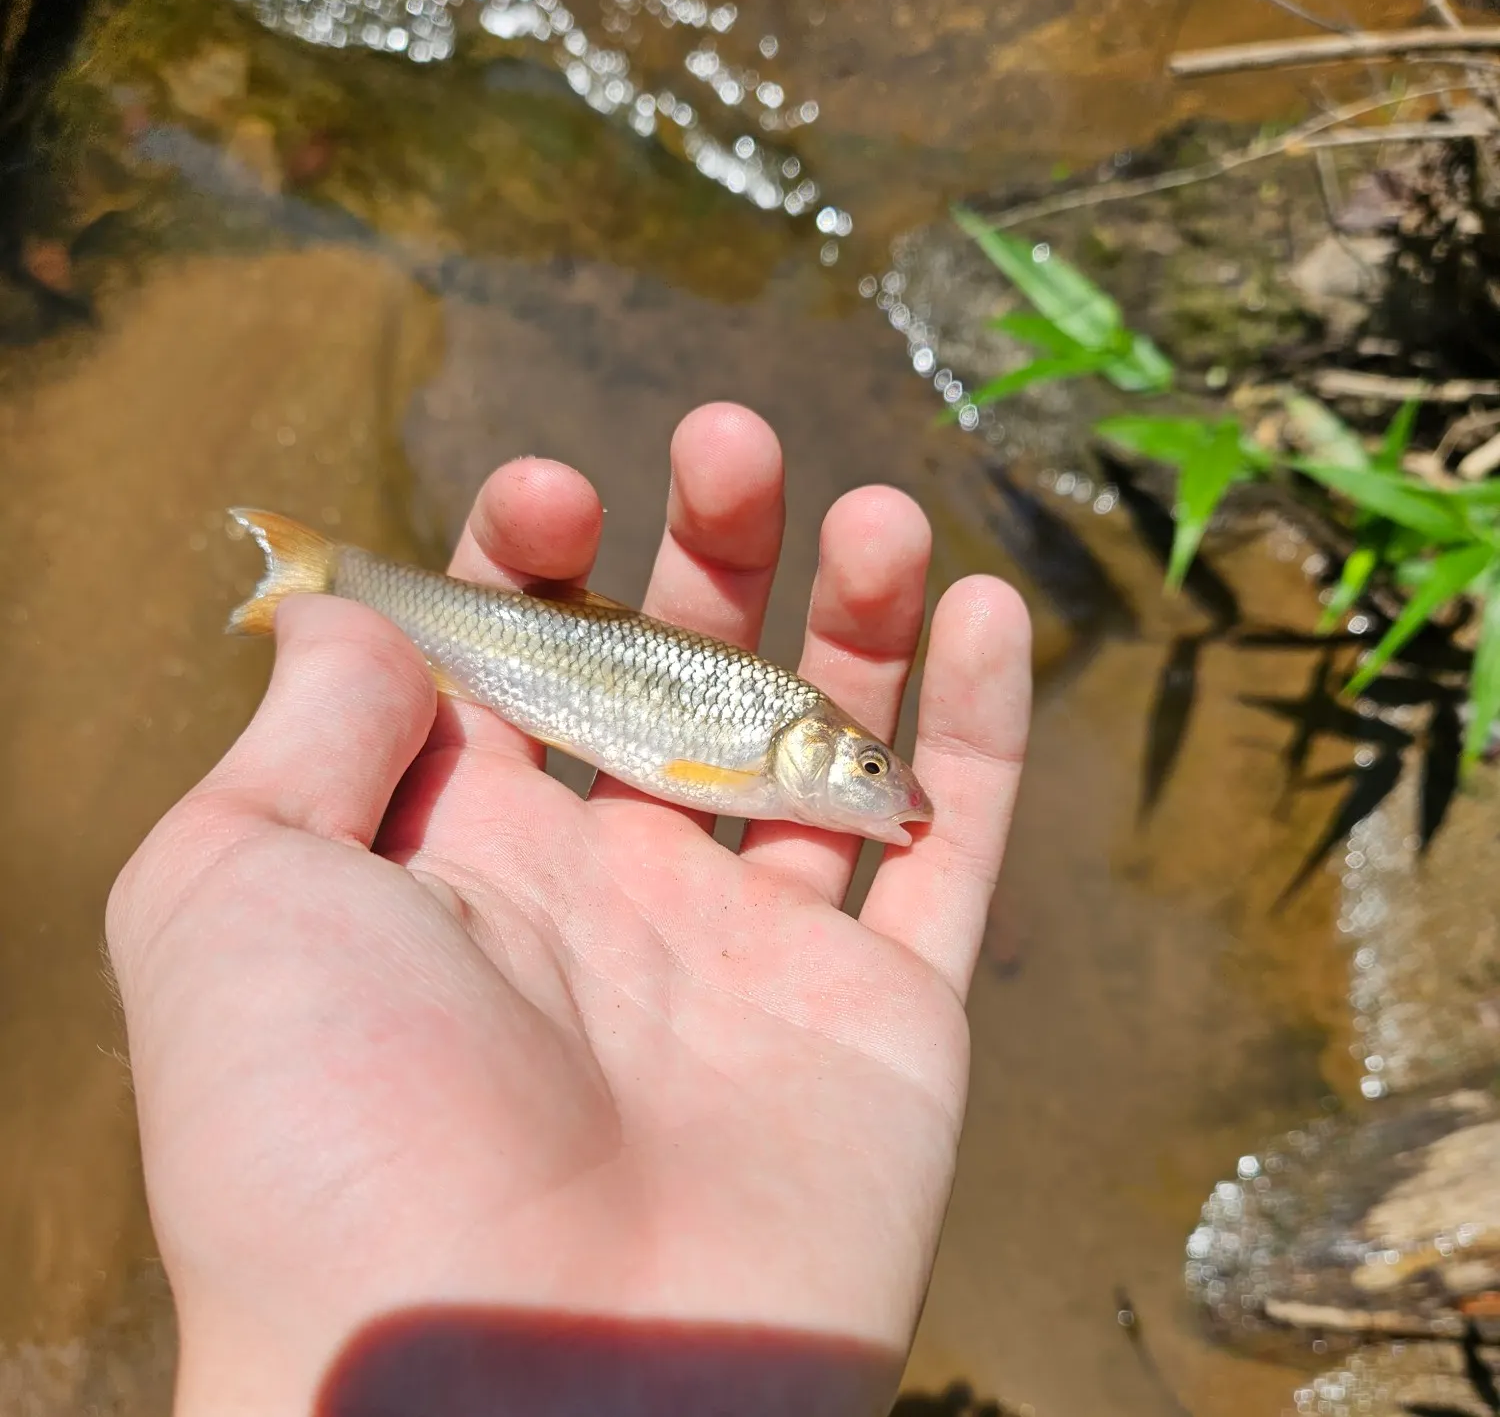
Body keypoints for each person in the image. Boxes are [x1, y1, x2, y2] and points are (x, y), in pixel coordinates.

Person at [106, 404, 1032, 1416]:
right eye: (866, 766)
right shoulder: (765, 734)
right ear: (813, 749)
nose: (881, 783)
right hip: (507, 639)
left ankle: (334, 577)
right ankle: (328, 573)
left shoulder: (775, 742)